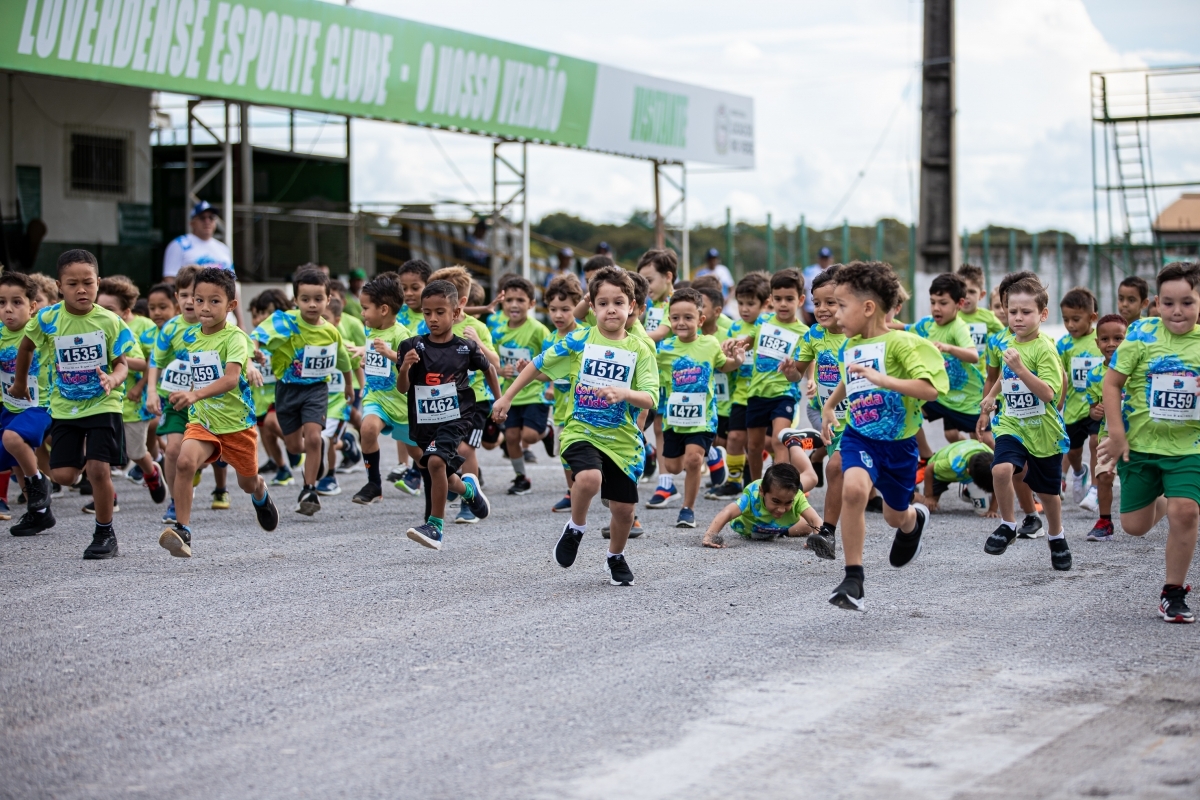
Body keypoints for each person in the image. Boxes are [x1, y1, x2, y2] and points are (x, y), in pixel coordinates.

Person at [494, 266, 658, 586]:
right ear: (592, 307)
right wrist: (507, 397)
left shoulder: (640, 348)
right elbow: (538, 364)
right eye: (603, 303)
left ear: (632, 306)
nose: (611, 309)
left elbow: (651, 397)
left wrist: (624, 393)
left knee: (624, 511)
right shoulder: (579, 339)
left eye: (619, 302)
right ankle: (576, 527)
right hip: (580, 429)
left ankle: (615, 556)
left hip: (622, 439)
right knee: (589, 478)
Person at [818, 261, 948, 611]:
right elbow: (850, 378)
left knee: (894, 516)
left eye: (841, 305)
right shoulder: (850, 345)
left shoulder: (902, 343)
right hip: (859, 436)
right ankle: (853, 579)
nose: (835, 313)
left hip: (899, 445)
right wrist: (830, 405)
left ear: (868, 308)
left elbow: (930, 389)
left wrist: (883, 380)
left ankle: (913, 522)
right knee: (854, 489)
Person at [13, 249, 134, 560]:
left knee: (98, 469)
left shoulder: (109, 321)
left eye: (88, 283)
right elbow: (26, 347)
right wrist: (20, 382)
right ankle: (79, 464)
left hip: (103, 405)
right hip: (65, 406)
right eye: (72, 284)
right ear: (59, 286)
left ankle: (104, 532)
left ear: (98, 283)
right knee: (64, 476)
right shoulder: (48, 319)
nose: (81, 289)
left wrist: (114, 379)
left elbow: (122, 364)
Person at [1100, 262, 1200, 623]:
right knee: (1135, 526)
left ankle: (1173, 593)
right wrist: (1116, 434)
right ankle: (1164, 499)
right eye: (1169, 303)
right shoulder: (1142, 334)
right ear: (1157, 302)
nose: (1177, 311)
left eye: (1187, 303)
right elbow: (1112, 383)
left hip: (1189, 448)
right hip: (1139, 446)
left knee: (1185, 511)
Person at [157, 268, 278, 557]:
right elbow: (194, 373)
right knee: (185, 462)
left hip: (236, 424)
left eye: (214, 301)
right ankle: (183, 530)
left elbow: (231, 379)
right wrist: (182, 392)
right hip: (203, 420)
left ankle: (260, 491)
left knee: (246, 483)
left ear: (231, 305)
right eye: (199, 300)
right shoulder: (190, 337)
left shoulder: (234, 337)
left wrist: (194, 394)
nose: (204, 307)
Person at [395, 280, 498, 550]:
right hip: (425, 421)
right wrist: (404, 368)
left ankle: (435, 526)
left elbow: (489, 369)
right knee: (444, 472)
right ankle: (468, 491)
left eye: (440, 312)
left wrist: (500, 401)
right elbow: (403, 388)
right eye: (427, 312)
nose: (433, 318)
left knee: (435, 462)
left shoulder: (465, 347)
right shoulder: (411, 346)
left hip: (456, 417)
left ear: (455, 313)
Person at [981, 274, 1072, 571]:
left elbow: (1049, 393)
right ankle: (1008, 525)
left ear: (1043, 315)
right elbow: (1005, 375)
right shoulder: (1007, 342)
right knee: (1000, 468)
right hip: (1013, 423)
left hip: (1043, 429)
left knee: (1048, 493)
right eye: (1012, 311)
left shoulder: (1045, 348)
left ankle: (1056, 535)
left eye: (1026, 312)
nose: (1018, 317)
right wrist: (991, 396)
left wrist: (1021, 369)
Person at [251, 267, 353, 517]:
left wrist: (349, 385)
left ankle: (309, 490)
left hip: (316, 389)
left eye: (318, 299)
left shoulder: (330, 331)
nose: (312, 304)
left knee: (314, 437)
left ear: (328, 299)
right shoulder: (284, 321)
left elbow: (343, 360)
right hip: (287, 390)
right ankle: (320, 451)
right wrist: (253, 351)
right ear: (295, 300)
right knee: (296, 447)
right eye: (305, 299)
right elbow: (256, 336)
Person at [653, 288, 745, 528]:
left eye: (688, 317)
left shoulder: (710, 344)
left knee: (693, 460)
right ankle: (712, 455)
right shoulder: (664, 350)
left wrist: (737, 360)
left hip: (702, 419)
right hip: (674, 419)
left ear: (700, 320)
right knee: (673, 467)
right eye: (675, 318)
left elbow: (723, 365)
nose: (681, 323)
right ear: (669, 320)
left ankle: (688, 509)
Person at [725, 268, 818, 487]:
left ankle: (780, 488)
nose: (783, 304)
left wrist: (811, 379)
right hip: (757, 392)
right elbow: (747, 342)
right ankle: (756, 488)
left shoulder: (804, 332)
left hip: (784, 393)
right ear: (771, 300)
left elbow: (809, 358)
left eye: (789, 299)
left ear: (800, 300)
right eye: (778, 299)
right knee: (754, 446)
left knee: (779, 440)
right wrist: (733, 345)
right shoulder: (763, 322)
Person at [427, 266, 501, 523]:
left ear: (460, 302)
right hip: (443, 402)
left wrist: (477, 343)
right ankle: (455, 481)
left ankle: (470, 501)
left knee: (465, 449)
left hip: (476, 400)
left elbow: (495, 363)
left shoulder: (476, 327)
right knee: (441, 451)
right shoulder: (430, 328)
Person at [783, 265, 846, 557]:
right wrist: (790, 372)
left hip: (863, 419)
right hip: (830, 419)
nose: (821, 309)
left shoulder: (858, 335)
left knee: (838, 469)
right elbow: (797, 373)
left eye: (830, 302)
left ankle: (908, 516)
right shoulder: (813, 335)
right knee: (836, 469)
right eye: (816, 302)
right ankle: (828, 532)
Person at [96, 277, 167, 512]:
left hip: (131, 404)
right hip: (101, 403)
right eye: (99, 308)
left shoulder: (125, 332)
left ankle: (151, 471)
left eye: (109, 309)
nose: (103, 313)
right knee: (99, 454)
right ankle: (109, 496)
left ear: (125, 313)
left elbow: (144, 362)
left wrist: (117, 358)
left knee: (135, 452)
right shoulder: (90, 330)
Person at [0, 272, 56, 537]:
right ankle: (40, 513)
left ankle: (40, 482)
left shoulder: (41, 331)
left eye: (16, 302)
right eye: (1, 302)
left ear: (33, 306)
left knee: (13, 439)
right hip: (9, 405)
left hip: (40, 404)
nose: (8, 309)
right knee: (14, 460)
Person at [351, 274, 414, 505]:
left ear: (384, 309)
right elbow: (377, 359)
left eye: (365, 308)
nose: (362, 313)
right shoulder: (370, 329)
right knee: (367, 430)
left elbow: (412, 363)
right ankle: (374, 484)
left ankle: (445, 480)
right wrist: (366, 360)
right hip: (376, 397)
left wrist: (389, 354)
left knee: (420, 456)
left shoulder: (401, 334)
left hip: (401, 402)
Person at [707, 273, 770, 500]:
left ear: (765, 304)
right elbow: (727, 364)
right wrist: (728, 356)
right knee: (734, 438)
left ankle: (779, 479)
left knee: (766, 442)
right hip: (740, 394)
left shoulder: (769, 326)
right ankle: (733, 482)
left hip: (765, 394)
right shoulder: (734, 328)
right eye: (741, 303)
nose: (744, 309)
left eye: (750, 304)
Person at [492, 276, 553, 496]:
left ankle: (545, 431)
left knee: (529, 437)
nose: (514, 305)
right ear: (502, 302)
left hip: (535, 392)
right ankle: (521, 477)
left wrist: (551, 386)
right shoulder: (498, 332)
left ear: (531, 303)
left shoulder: (538, 330)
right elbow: (494, 360)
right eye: (509, 300)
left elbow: (552, 359)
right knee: (510, 438)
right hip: (511, 394)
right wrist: (501, 371)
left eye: (520, 300)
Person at [908, 273, 984, 444]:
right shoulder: (927, 324)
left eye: (943, 303)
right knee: (908, 406)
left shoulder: (958, 327)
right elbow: (903, 328)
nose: (936, 308)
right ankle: (926, 454)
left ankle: (980, 456)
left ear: (959, 304)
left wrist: (948, 347)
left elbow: (973, 356)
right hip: (941, 394)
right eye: (932, 302)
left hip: (965, 399)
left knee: (983, 439)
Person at [162, 201, 245, 330]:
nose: (207, 221)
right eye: (202, 218)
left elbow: (232, 284)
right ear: (192, 222)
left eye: (211, 218)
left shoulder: (223, 248)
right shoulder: (179, 244)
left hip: (224, 317)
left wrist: (241, 322)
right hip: (193, 316)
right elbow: (169, 282)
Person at [1081, 314, 1127, 539]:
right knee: (1104, 476)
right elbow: (1092, 409)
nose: (1111, 344)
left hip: (1138, 435)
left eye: (1118, 338)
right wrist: (1095, 411)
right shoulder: (1094, 375)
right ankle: (1105, 521)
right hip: (1107, 434)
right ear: (1097, 342)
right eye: (1105, 339)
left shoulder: (1136, 370)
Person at [702, 463, 823, 548]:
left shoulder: (797, 496)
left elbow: (815, 519)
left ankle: (795, 445)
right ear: (762, 491)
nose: (781, 509)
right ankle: (794, 444)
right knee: (811, 479)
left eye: (788, 502)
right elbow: (727, 512)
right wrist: (710, 535)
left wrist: (819, 540)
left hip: (779, 527)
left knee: (808, 526)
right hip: (747, 527)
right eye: (776, 501)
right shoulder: (752, 495)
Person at [1056, 287, 1101, 507]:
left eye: (1076, 319)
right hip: (1073, 409)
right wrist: (1058, 400)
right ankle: (1079, 471)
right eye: (1066, 319)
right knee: (1073, 452)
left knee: (1096, 442)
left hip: (1097, 407)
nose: (1070, 325)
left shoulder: (1101, 340)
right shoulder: (1064, 345)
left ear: (1092, 318)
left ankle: (1095, 489)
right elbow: (1059, 375)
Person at [391, 259, 433, 493]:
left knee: (428, 438)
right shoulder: (397, 315)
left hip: (431, 385)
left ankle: (431, 475)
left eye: (415, 287)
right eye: (403, 288)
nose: (408, 293)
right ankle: (414, 471)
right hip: (405, 384)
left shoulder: (434, 316)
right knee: (409, 435)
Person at [543, 275, 583, 513]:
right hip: (561, 410)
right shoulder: (550, 340)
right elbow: (546, 371)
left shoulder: (587, 334)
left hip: (585, 409)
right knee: (565, 455)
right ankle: (572, 493)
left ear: (577, 307)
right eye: (553, 309)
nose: (558, 315)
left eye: (565, 309)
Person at [918, 439, 995, 516]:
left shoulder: (994, 461)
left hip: (967, 468)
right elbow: (929, 469)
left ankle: (968, 492)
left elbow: (998, 483)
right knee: (930, 505)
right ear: (968, 472)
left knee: (983, 509)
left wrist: (992, 509)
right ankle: (915, 496)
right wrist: (929, 496)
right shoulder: (950, 464)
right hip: (941, 474)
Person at [956, 264, 1005, 361]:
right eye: (962, 291)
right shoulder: (951, 316)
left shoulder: (988, 317)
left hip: (980, 370)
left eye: (971, 291)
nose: (966, 296)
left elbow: (1007, 338)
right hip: (954, 370)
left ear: (981, 295)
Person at [695, 248, 735, 314]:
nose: (713, 261)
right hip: (707, 308)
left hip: (724, 308)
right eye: (710, 259)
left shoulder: (723, 270)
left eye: (714, 259)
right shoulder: (701, 273)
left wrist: (727, 300)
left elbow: (731, 289)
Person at [801, 247, 835, 325]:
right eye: (822, 258)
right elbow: (803, 291)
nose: (824, 261)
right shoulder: (808, 271)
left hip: (829, 309)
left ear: (831, 259)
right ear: (818, 258)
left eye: (826, 258)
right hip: (810, 309)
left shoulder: (835, 271)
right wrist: (803, 310)